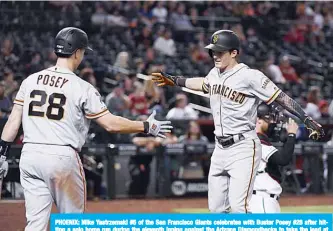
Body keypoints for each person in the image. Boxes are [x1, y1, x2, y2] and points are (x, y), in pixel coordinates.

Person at [0, 27, 172, 231]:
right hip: (61, 156)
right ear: (76, 52)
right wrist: (145, 125)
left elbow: (12, 122)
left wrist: (2, 154)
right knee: (73, 223)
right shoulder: (82, 87)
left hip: (29, 155)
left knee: (35, 224)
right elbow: (110, 124)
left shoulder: (30, 80)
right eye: (82, 51)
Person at [151, 29, 324, 213]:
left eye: (220, 52)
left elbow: (281, 98)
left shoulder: (250, 76)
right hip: (219, 148)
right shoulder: (214, 73)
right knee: (217, 210)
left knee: (239, 208)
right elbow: (202, 83)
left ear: (234, 53)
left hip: (243, 147)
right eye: (213, 51)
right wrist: (174, 80)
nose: (215, 56)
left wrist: (307, 120)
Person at [249, 103, 298, 213]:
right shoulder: (258, 142)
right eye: (269, 118)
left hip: (261, 199)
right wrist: (291, 135)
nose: (272, 122)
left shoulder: (256, 140)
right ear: (258, 120)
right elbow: (283, 159)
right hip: (262, 200)